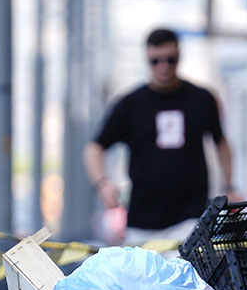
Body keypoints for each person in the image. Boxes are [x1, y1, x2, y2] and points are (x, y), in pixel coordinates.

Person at [84, 27, 235, 246]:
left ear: (179, 56)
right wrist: (102, 183)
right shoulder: (130, 104)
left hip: (190, 217)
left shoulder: (201, 98)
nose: (163, 67)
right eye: (156, 61)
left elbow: (221, 142)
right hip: (141, 221)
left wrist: (230, 185)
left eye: (170, 60)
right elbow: (94, 148)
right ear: (147, 59)